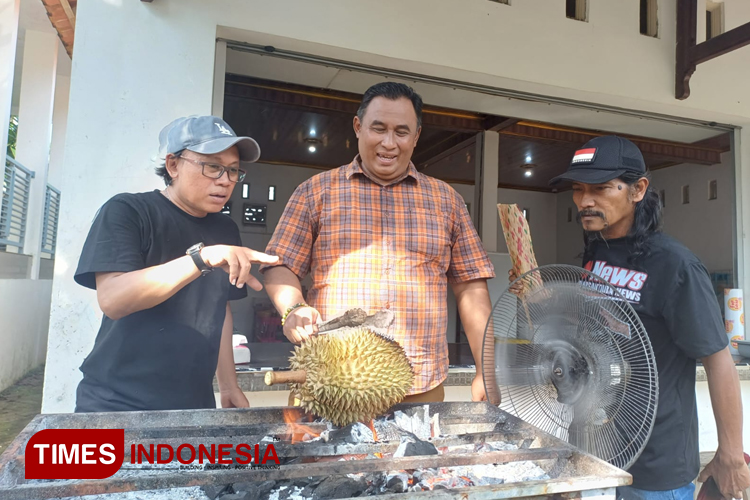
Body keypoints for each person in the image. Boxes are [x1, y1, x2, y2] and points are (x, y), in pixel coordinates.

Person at [514, 135, 749, 500]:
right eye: (578, 189)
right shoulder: (596, 254)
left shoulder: (675, 265)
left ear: (638, 189)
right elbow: (593, 332)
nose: (584, 200)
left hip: (658, 460)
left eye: (601, 188)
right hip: (599, 444)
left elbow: (718, 360)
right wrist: (545, 305)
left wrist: (731, 456)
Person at [261, 82, 496, 403]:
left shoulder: (447, 201)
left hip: (419, 384)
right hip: (331, 380)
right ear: (358, 127)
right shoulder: (315, 192)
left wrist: (486, 370)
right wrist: (294, 308)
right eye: (378, 128)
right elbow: (281, 265)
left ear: (416, 136)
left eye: (402, 132)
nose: (389, 143)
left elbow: (471, 287)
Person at [73, 115, 279, 412]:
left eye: (233, 171)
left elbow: (219, 309)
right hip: (115, 403)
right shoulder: (129, 211)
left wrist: (229, 385)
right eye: (213, 166)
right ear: (173, 165)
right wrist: (201, 258)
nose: (225, 180)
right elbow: (113, 299)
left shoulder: (225, 229)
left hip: (193, 402)